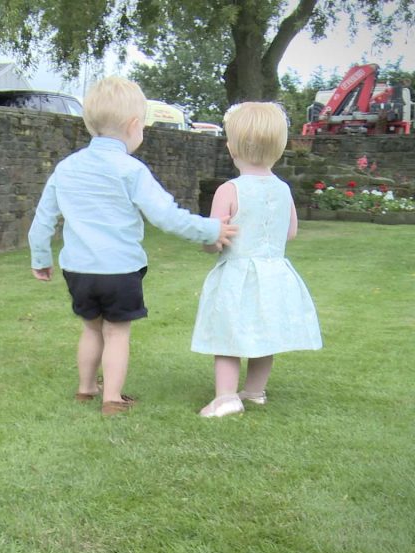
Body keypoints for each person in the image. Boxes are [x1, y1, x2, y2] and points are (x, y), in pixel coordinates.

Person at [28, 76, 238, 416]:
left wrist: (40, 257)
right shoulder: (131, 170)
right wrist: (210, 229)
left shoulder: (66, 168)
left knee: (91, 328)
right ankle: (112, 397)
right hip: (119, 270)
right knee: (117, 333)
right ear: (134, 124)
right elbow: (166, 215)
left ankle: (85, 389)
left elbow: (43, 219)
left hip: (78, 269)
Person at [191, 102, 322, 417]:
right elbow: (290, 232)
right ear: (279, 148)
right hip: (275, 273)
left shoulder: (229, 189)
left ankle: (225, 398)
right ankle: (254, 391)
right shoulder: (283, 189)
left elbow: (215, 237)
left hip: (238, 273)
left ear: (231, 147)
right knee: (265, 333)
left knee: (228, 333)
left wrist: (210, 244)